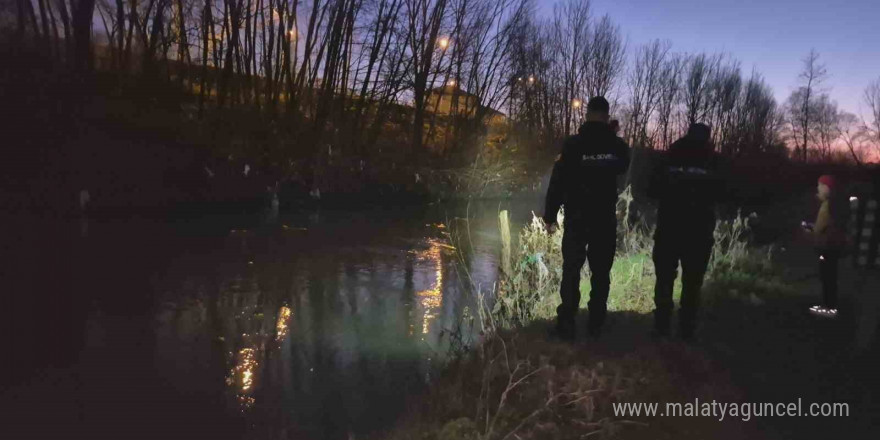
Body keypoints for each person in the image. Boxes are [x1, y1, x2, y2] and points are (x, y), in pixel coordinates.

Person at [543, 96, 630, 340]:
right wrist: (611, 135)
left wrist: (549, 216)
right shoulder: (616, 145)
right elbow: (623, 164)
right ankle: (596, 324)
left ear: (587, 114)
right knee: (601, 273)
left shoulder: (573, 144)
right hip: (603, 220)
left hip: (577, 218)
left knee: (571, 269)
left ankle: (567, 323)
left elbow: (557, 182)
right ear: (606, 114)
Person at [648, 123, 723, 340]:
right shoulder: (714, 161)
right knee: (692, 283)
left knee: (664, 279)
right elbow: (725, 192)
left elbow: (652, 189)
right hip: (699, 232)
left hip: (668, 228)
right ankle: (686, 329)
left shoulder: (669, 156)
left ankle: (661, 326)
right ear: (707, 138)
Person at [803, 175, 847, 317]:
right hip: (835, 246)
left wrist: (808, 229)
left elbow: (818, 228)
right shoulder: (838, 203)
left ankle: (828, 308)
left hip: (826, 246)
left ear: (827, 188)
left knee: (826, 277)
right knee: (831, 277)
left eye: (820, 186)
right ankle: (830, 306)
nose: (818, 188)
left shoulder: (826, 205)